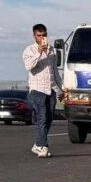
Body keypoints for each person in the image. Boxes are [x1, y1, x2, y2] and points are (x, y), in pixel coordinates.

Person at [22, 23, 63, 158]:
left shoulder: (52, 51)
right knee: (42, 117)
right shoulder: (29, 50)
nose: (42, 38)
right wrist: (39, 52)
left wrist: (61, 89)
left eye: (44, 35)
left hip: (50, 89)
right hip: (37, 89)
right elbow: (29, 67)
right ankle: (44, 146)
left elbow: (55, 71)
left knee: (49, 118)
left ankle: (37, 145)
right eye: (39, 35)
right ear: (34, 36)